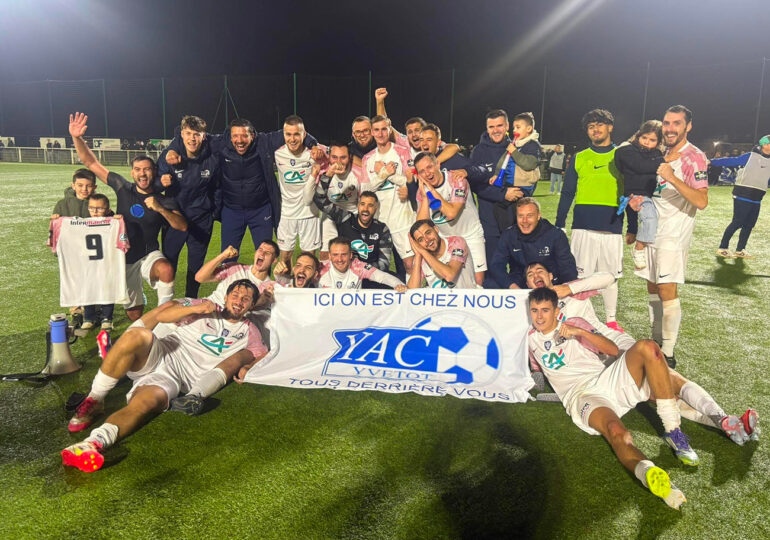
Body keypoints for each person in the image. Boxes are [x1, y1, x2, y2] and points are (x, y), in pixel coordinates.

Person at [527, 287, 758, 510]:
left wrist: (579, 332)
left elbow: (612, 349)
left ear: (556, 311)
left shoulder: (574, 323)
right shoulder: (528, 339)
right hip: (582, 395)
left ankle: (675, 430)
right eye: (534, 310)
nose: (539, 316)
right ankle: (651, 475)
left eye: (545, 310)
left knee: (648, 347)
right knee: (615, 430)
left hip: (607, 378)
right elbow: (532, 369)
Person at [62, 280, 267, 471]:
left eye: (245, 299)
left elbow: (263, 354)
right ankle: (95, 398)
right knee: (139, 335)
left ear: (251, 306)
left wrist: (249, 365)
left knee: (144, 405)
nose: (238, 301)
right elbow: (162, 316)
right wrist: (196, 309)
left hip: (173, 379)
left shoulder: (250, 332)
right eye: (235, 295)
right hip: (161, 353)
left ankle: (92, 443)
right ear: (226, 297)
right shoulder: (205, 306)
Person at [69, 112, 187, 321]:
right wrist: (76, 137)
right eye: (138, 170)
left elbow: (182, 226)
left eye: (147, 170)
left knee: (166, 269)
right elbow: (90, 162)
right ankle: (139, 300)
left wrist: (160, 209)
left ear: (154, 172)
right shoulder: (123, 188)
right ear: (132, 173)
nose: (143, 174)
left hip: (149, 254)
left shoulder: (164, 200)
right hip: (124, 258)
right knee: (134, 314)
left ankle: (164, 318)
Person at [165, 118, 317, 259]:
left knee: (265, 256)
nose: (239, 140)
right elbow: (191, 138)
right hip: (232, 211)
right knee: (228, 258)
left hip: (260, 210)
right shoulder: (221, 143)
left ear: (252, 135)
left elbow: (295, 132)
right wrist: (172, 149)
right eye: (235, 136)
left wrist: (313, 145)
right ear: (230, 137)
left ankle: (264, 281)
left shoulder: (263, 141)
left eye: (244, 136)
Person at [633, 106, 708, 368]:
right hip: (651, 232)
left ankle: (668, 351)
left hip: (672, 235)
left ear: (688, 126)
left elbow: (701, 201)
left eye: (677, 123)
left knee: (666, 289)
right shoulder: (661, 151)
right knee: (652, 287)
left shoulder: (694, 157)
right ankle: (656, 340)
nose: (670, 128)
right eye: (667, 123)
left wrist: (673, 178)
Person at [556, 109, 630, 332]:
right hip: (583, 226)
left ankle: (611, 321)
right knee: (579, 277)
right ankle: (579, 317)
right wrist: (560, 222)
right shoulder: (579, 157)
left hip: (612, 226)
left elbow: (631, 191)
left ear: (610, 127)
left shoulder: (621, 156)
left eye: (600, 124)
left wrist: (634, 226)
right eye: (591, 126)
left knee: (611, 276)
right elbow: (567, 192)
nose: (595, 129)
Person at [156, 115, 219, 298]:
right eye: (189, 133)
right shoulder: (170, 157)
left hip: (201, 221)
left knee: (195, 267)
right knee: (169, 265)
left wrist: (213, 213)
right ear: (181, 134)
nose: (192, 138)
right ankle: (165, 303)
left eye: (197, 134)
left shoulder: (212, 158)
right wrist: (161, 183)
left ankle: (191, 303)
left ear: (203, 136)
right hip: (174, 219)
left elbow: (218, 188)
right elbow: (155, 184)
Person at [524, 262, 635, 354]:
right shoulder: (529, 308)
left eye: (540, 271)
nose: (536, 276)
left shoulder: (569, 289)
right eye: (530, 275)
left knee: (640, 353)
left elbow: (610, 279)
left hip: (609, 338)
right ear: (528, 284)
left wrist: (570, 288)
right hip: (583, 358)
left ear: (550, 276)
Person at [469, 109, 526, 286]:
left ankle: (518, 301)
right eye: (491, 127)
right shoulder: (479, 151)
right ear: (486, 128)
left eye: (499, 125)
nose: (495, 130)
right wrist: (503, 194)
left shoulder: (518, 147)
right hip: (490, 221)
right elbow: (476, 185)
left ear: (507, 126)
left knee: (520, 267)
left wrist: (522, 192)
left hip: (515, 219)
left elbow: (529, 177)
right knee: (493, 267)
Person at [614, 120, 680, 270]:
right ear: (638, 136)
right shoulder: (627, 150)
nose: (647, 142)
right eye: (644, 138)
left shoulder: (656, 154)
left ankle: (633, 233)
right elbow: (640, 166)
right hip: (635, 194)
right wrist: (664, 159)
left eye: (652, 140)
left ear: (658, 142)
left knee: (639, 218)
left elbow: (650, 168)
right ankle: (639, 249)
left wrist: (632, 230)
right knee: (650, 219)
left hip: (648, 195)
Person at [414, 151, 486, 286]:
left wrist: (432, 192)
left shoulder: (456, 179)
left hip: (470, 234)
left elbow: (452, 213)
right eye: (422, 171)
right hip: (446, 240)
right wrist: (424, 197)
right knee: (450, 281)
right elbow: (421, 225)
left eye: (429, 167)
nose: (427, 173)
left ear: (438, 164)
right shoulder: (421, 192)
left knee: (477, 281)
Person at [362, 115, 416, 276]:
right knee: (378, 269)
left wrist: (390, 175)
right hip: (379, 221)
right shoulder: (368, 158)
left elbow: (412, 182)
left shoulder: (403, 152)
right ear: (372, 132)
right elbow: (365, 191)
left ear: (389, 130)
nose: (380, 134)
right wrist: (384, 174)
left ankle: (412, 292)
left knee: (409, 265)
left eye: (384, 129)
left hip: (402, 219)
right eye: (376, 130)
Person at [489, 197, 577, 289]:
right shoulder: (509, 235)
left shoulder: (555, 235)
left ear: (538, 216)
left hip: (550, 282)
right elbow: (496, 265)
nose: (524, 221)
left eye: (529, 216)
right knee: (490, 283)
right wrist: (512, 286)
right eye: (521, 216)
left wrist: (563, 290)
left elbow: (567, 268)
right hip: (520, 282)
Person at [274, 115, 325, 267]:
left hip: (309, 212)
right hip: (286, 213)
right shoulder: (277, 153)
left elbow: (341, 154)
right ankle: (286, 283)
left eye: (297, 134)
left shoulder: (315, 154)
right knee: (285, 257)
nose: (292, 139)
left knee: (308, 259)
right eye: (288, 134)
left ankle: (307, 283)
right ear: (283, 135)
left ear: (304, 134)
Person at [712, 134, 770, 258]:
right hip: (743, 194)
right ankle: (723, 247)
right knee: (737, 222)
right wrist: (711, 161)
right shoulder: (751, 156)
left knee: (749, 225)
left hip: (757, 197)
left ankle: (740, 249)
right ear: (765, 144)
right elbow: (731, 161)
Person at [195, 240, 280, 307]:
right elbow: (200, 277)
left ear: (274, 260)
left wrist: (258, 303)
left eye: (267, 253)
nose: (262, 253)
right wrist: (222, 256)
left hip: (224, 319)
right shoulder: (236, 268)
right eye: (260, 250)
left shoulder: (269, 288)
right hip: (206, 305)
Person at [80, 193, 119, 333]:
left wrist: (118, 220)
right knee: (88, 288)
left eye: (99, 209)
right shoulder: (82, 223)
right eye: (91, 208)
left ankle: (107, 318)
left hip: (107, 262)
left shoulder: (113, 222)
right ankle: (88, 317)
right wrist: (57, 221)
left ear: (107, 210)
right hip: (89, 263)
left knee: (107, 287)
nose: (95, 212)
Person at [407, 219, 477, 289]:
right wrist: (418, 255)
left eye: (428, 233)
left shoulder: (456, 242)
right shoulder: (421, 259)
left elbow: (450, 275)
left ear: (436, 229)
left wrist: (423, 251)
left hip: (467, 295)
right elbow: (411, 291)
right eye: (420, 239)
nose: (427, 240)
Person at [318, 237, 406, 291]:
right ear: (329, 256)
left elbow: (382, 277)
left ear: (350, 255)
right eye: (335, 255)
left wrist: (398, 285)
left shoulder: (358, 267)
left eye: (344, 254)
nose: (340, 259)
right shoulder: (320, 269)